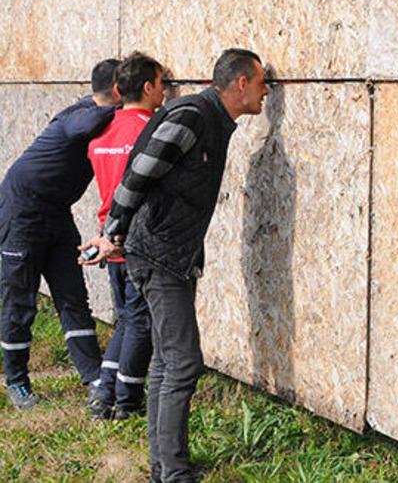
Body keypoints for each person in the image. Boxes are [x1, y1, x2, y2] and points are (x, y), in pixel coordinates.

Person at [81, 48, 270, 483]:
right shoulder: (194, 117)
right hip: (159, 254)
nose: (265, 92)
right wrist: (113, 234)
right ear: (241, 83)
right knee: (183, 362)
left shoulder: (212, 121)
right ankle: (173, 473)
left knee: (167, 362)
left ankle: (165, 467)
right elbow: (138, 173)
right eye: (261, 83)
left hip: (171, 254)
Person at [0, 58, 120, 410]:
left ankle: (93, 377)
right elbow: (82, 127)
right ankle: (17, 381)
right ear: (116, 90)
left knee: (72, 295)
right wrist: (126, 109)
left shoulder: (96, 115)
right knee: (19, 301)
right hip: (21, 212)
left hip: (56, 212)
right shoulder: (80, 115)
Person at [85, 52, 167, 419]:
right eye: (163, 84)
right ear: (148, 87)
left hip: (108, 237)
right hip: (135, 240)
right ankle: (126, 401)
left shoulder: (100, 132)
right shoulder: (151, 131)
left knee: (129, 319)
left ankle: (104, 392)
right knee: (141, 322)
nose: (165, 92)